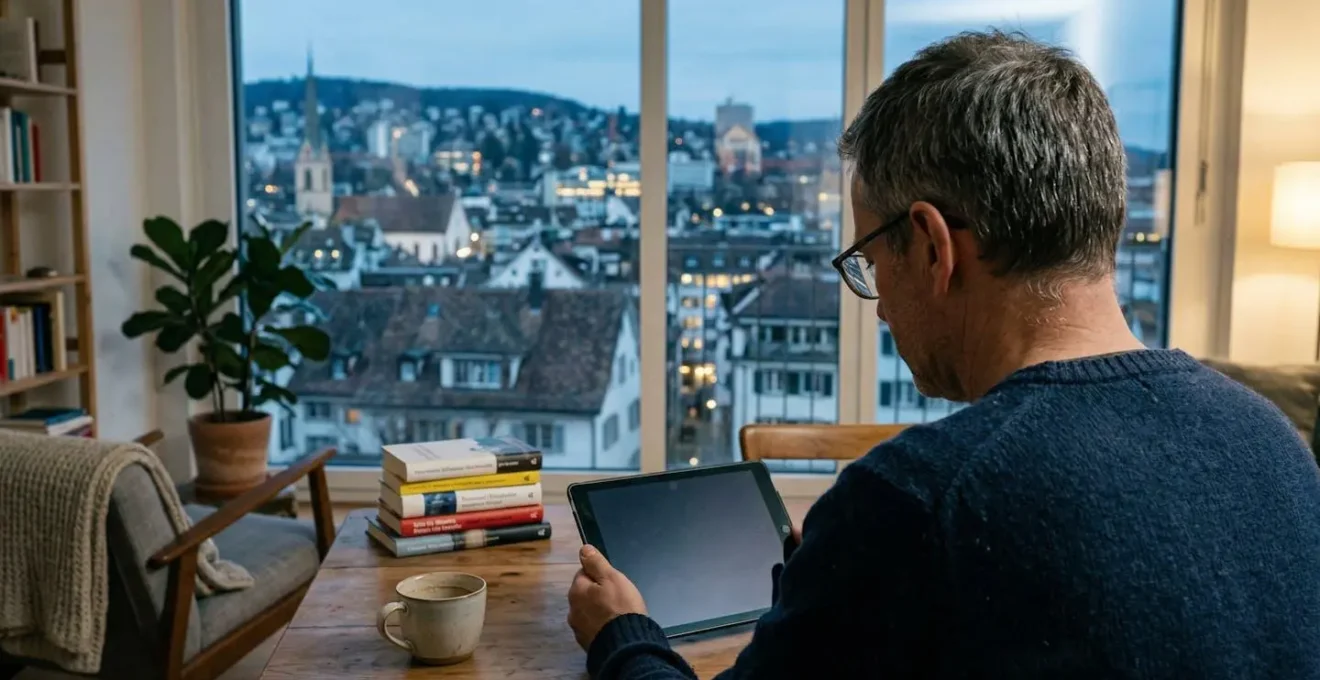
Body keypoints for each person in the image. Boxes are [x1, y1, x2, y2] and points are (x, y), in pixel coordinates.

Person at [566, 29, 1320, 679]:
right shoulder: (1272, 443)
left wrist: (622, 635)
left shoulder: (921, 500)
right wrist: (835, 589)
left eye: (870, 262)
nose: (880, 305)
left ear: (931, 246)